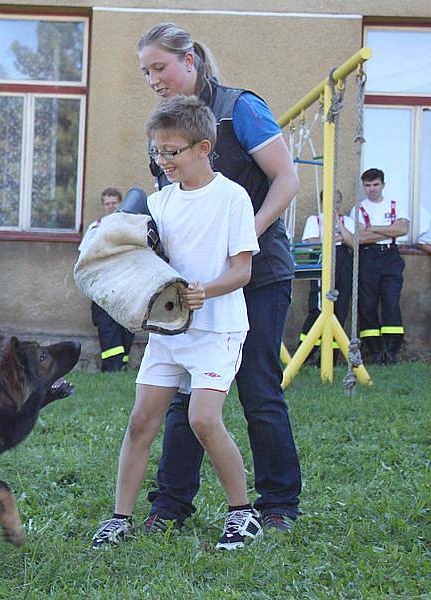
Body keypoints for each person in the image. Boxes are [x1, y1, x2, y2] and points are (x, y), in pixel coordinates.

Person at [135, 22, 301, 532]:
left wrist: (243, 234)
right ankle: (170, 506)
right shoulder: (165, 126)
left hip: (258, 273)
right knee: (185, 390)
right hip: (190, 286)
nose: (153, 79)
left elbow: (286, 178)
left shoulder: (239, 108)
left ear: (190, 61)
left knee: (257, 388)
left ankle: (277, 506)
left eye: (160, 67)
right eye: (146, 72)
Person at [91, 97, 261, 550]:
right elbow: (144, 260)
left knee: (203, 419)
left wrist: (208, 289)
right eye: (157, 152)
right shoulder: (159, 202)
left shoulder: (232, 198)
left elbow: (242, 271)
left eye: (172, 152)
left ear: (203, 147)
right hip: (168, 331)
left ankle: (244, 515)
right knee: (141, 420)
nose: (162, 161)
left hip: (218, 328)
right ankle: (119, 518)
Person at [349, 168, 410, 364]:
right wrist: (389, 230)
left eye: (375, 184)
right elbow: (359, 237)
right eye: (367, 185)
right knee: (368, 304)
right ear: (363, 186)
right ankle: (373, 350)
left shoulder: (396, 205)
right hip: (368, 257)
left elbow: (403, 229)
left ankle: (392, 350)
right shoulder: (358, 209)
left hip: (390, 256)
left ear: (383, 184)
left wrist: (372, 228)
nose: (372, 189)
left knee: (391, 301)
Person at [82, 188, 136, 372]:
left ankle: (122, 365)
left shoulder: (131, 226)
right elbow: (85, 256)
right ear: (103, 206)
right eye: (107, 203)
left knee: (126, 326)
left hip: (127, 285)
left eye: (114, 202)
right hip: (103, 287)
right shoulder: (96, 227)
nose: (111, 206)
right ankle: (112, 368)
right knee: (107, 327)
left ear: (120, 203)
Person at [298, 191, 355, 362]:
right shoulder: (314, 220)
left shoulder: (347, 221)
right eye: (330, 201)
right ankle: (306, 352)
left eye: (337, 202)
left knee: (340, 307)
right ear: (322, 202)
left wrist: (338, 223)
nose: (334, 205)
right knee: (319, 308)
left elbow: (352, 242)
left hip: (343, 261)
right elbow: (312, 242)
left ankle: (331, 356)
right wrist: (338, 237)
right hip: (322, 261)